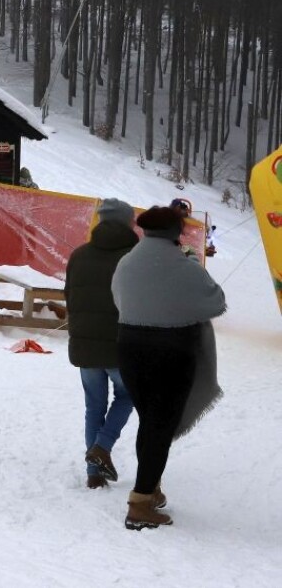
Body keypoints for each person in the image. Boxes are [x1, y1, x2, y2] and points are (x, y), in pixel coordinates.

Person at [113, 205, 227, 530]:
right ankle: (140, 503)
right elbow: (216, 301)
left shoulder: (127, 262)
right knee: (160, 426)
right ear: (175, 233)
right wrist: (192, 263)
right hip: (172, 352)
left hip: (129, 347)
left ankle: (150, 488)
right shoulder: (183, 264)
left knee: (149, 420)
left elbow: (119, 300)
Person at [65, 198, 138, 490]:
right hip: (122, 346)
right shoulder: (134, 257)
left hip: (85, 345)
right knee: (128, 396)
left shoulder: (79, 255)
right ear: (126, 222)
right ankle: (102, 447)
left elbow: (69, 296)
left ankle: (94, 473)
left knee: (93, 407)